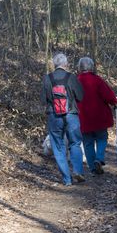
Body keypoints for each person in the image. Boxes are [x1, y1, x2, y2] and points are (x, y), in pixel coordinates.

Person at [40, 53, 85, 186]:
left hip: (54, 116)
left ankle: (67, 179)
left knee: (58, 146)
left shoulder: (47, 78)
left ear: (54, 64)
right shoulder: (72, 78)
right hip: (71, 115)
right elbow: (81, 97)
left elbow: (43, 99)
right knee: (75, 143)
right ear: (66, 64)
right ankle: (78, 171)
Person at [77, 57, 117, 175]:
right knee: (102, 138)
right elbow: (109, 96)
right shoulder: (97, 80)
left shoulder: (76, 81)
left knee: (88, 143)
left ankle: (93, 168)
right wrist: (115, 100)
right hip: (99, 118)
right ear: (91, 67)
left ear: (80, 68)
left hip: (83, 118)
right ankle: (99, 159)